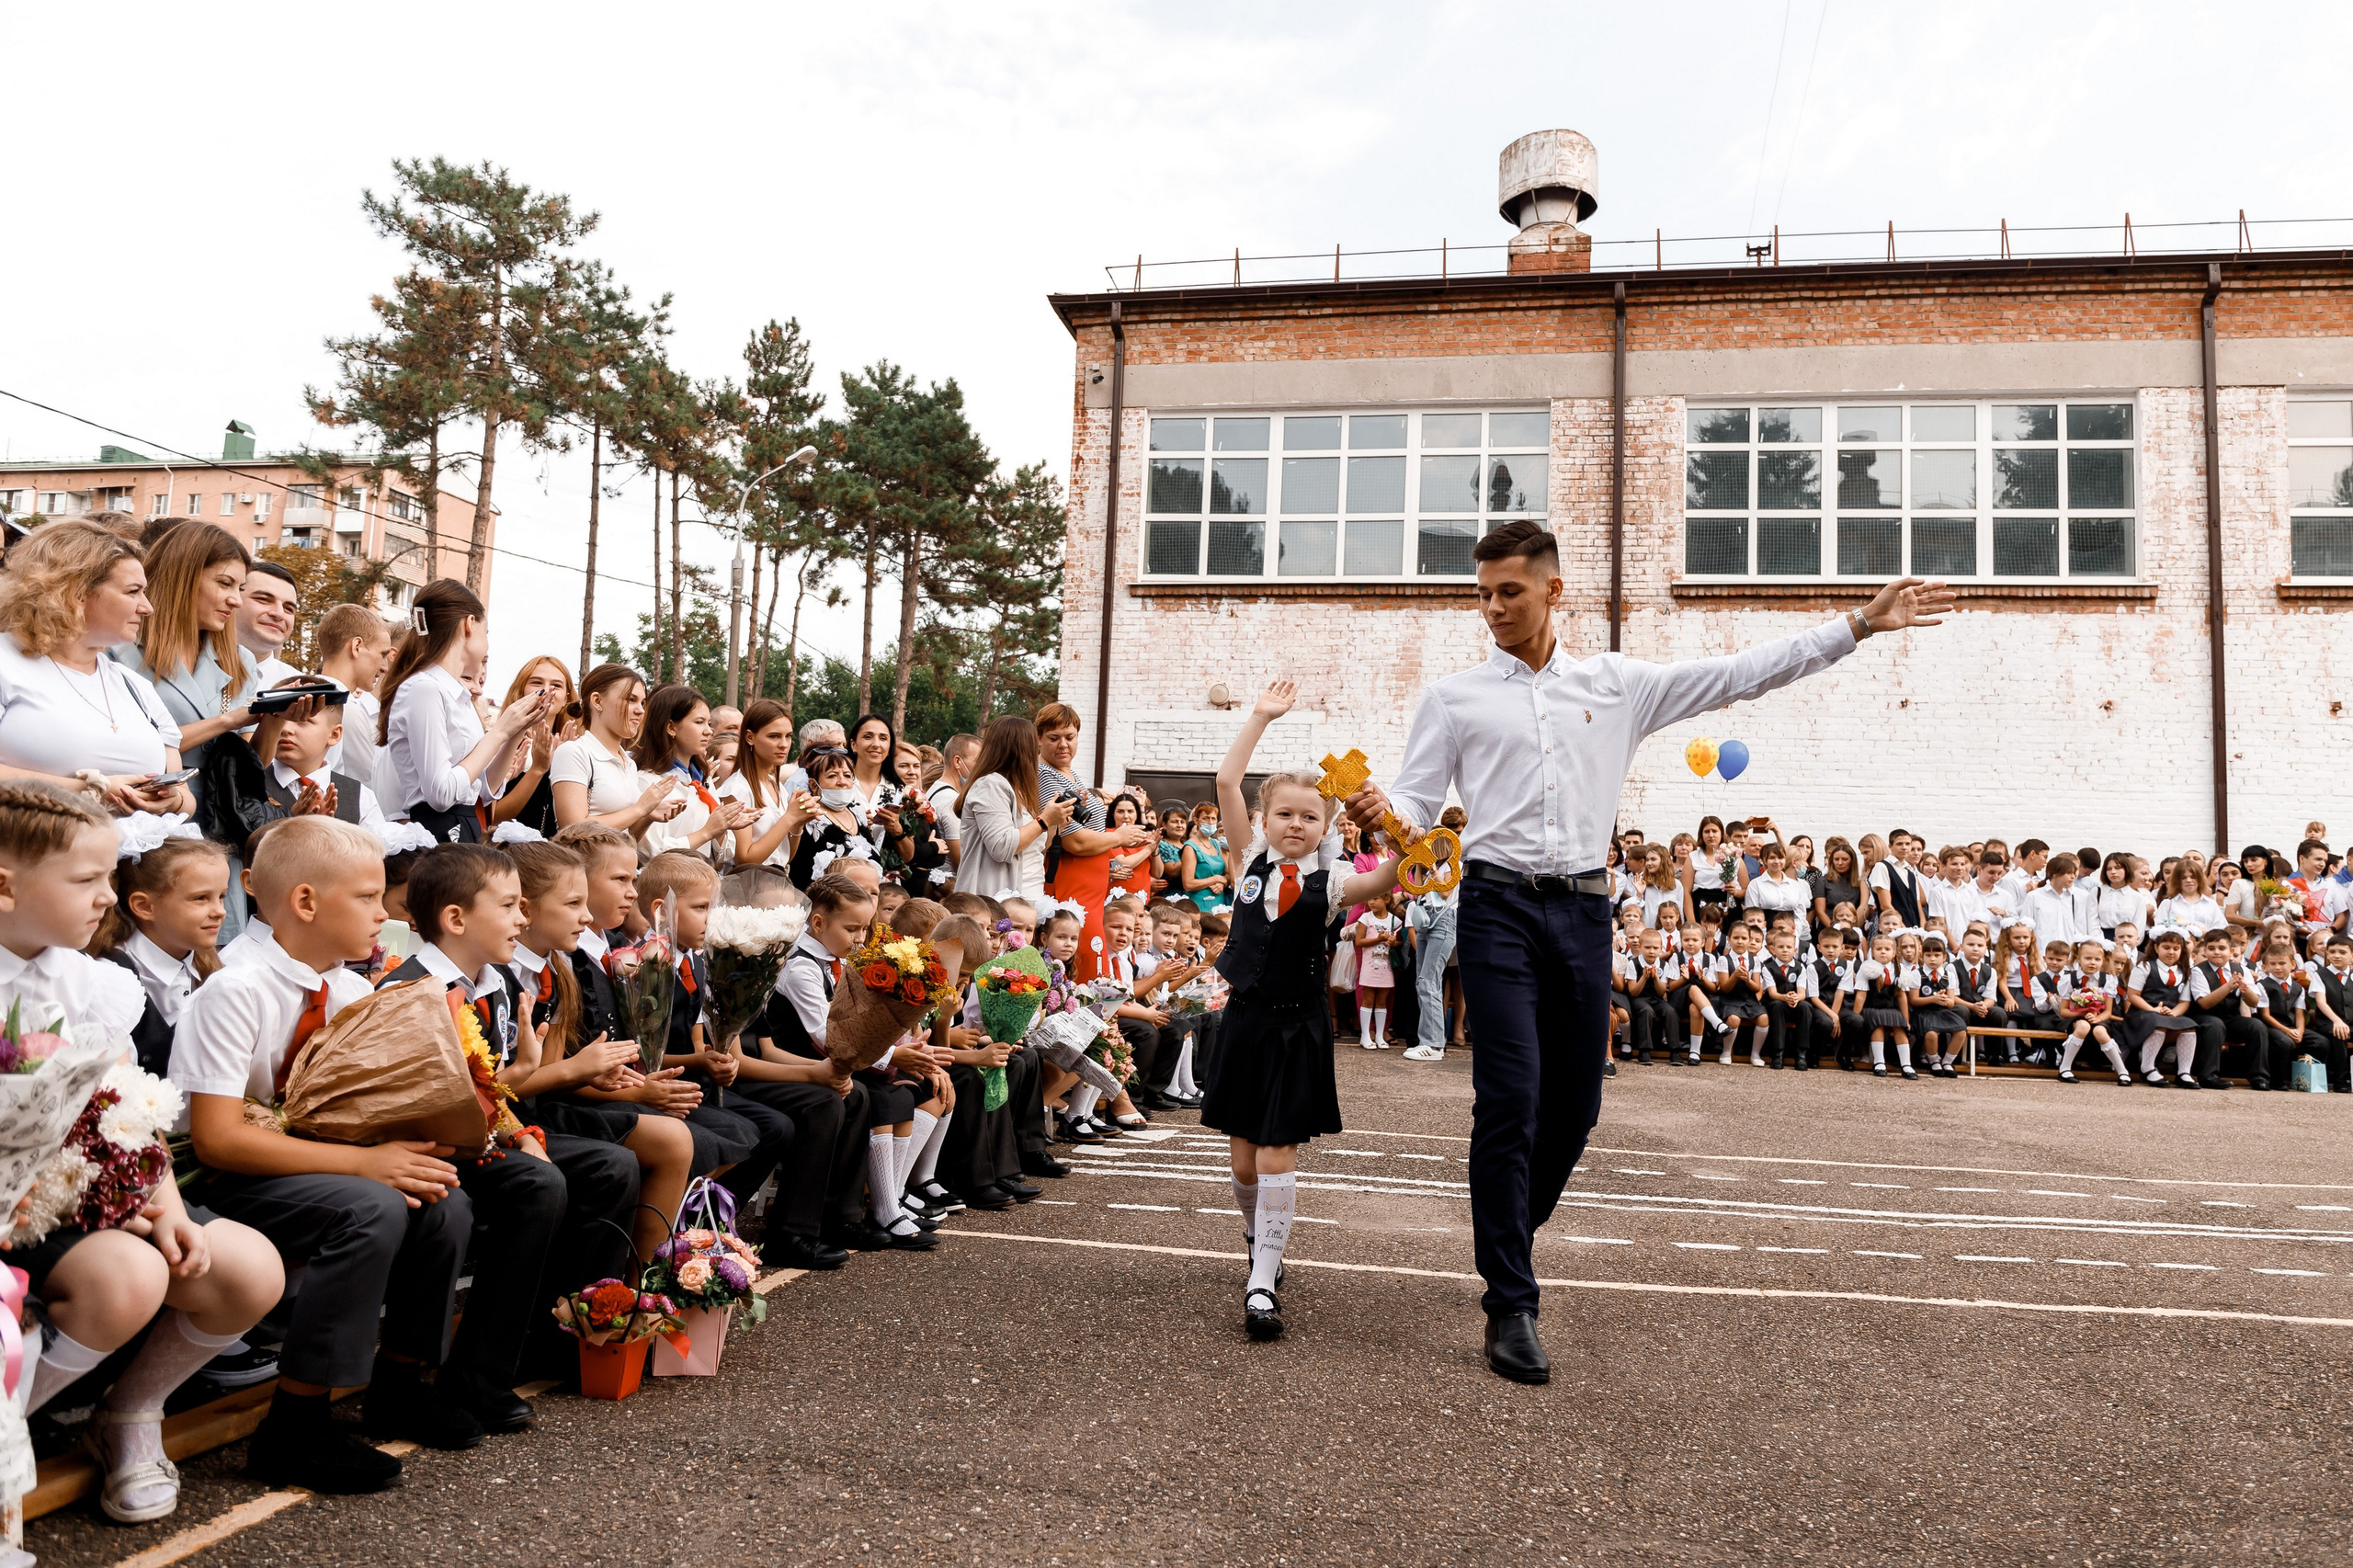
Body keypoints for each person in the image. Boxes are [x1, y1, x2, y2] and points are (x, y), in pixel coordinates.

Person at [1345, 520, 1949, 1383]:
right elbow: (1411, 809)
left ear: (1556, 591)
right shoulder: (1454, 698)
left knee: (1576, 1109)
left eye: (1509, 592)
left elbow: (1741, 675)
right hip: (1495, 907)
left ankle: (1505, 1234)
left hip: (1586, 912)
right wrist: (1383, 818)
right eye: (1482, 595)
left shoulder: (1617, 684)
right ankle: (1511, 1302)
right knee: (1509, 1099)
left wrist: (1855, 624)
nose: (1492, 610)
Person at [0, 783, 282, 1527]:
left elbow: (125, 1110)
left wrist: (164, 1205)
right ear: (5, 885)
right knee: (125, 1278)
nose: (108, 897)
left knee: (244, 1267)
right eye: (87, 880)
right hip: (15, 1205)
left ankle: (130, 1414)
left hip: (69, 1194)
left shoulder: (87, 982)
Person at [173, 816, 474, 1492]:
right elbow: (217, 1139)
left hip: (306, 1166)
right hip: (223, 1178)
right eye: (368, 897)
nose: (385, 911)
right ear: (306, 902)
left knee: (441, 1200)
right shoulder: (235, 988)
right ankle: (295, 1423)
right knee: (370, 1206)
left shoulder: (347, 988)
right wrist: (366, 1165)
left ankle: (399, 1383)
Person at [1203, 679, 1401, 1342]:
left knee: (1276, 1151)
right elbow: (1228, 781)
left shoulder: (1335, 881)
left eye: (1309, 817)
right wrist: (1260, 716)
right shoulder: (1244, 862)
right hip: (1248, 1021)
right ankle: (1259, 1238)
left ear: (1326, 826)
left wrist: (1396, 832)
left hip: (1299, 1026)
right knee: (1241, 1162)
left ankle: (1263, 1278)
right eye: (1284, 813)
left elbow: (1389, 877)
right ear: (1265, 820)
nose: (1295, 824)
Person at [0, 521, 194, 818]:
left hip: (135, 856)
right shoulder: (7, 661)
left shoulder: (134, 686)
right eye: (133, 592)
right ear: (75, 592)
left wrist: (171, 801)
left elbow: (185, 799)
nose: (147, 607)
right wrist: (90, 789)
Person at [380, 580, 551, 845]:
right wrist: (499, 732)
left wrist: (515, 731)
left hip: (466, 824)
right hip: (438, 830)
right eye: (487, 632)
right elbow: (440, 794)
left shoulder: (455, 694)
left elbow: (484, 788)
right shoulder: (424, 688)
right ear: (470, 624)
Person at [109, 522, 259, 778]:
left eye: (240, 588)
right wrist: (226, 722)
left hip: (217, 817)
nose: (237, 600)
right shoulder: (116, 651)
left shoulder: (241, 660)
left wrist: (276, 718)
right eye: (225, 583)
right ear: (182, 578)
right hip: (143, 810)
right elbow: (124, 749)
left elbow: (249, 772)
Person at [1036, 703, 1152, 983]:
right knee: (1082, 965)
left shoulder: (1071, 776)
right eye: (1054, 738)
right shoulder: (1045, 776)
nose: (1063, 745)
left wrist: (1107, 861)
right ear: (1038, 739)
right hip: (1071, 884)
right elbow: (1073, 840)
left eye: (1070, 737)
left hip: (1092, 885)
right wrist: (1118, 838)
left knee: (1093, 964)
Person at [549, 663, 680, 840]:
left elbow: (626, 837)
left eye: (642, 703)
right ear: (597, 701)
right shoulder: (573, 752)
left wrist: (648, 815)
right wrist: (640, 809)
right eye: (630, 700)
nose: (640, 711)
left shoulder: (629, 763)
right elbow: (572, 829)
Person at [262, 680, 397, 844]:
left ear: (334, 735)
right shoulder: (249, 787)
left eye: (303, 720)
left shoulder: (360, 797)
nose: (286, 729)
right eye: (281, 719)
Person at [631, 685, 754, 860]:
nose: (709, 731)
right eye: (699, 722)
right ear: (671, 727)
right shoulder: (648, 781)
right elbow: (649, 852)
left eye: (709, 723)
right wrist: (706, 832)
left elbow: (722, 857)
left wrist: (722, 827)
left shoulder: (702, 780)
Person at [956, 715, 1066, 905]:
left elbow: (1034, 849)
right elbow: (1002, 847)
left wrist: (1057, 824)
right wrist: (1044, 820)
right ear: (1022, 750)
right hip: (995, 901)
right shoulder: (990, 785)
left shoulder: (1021, 791)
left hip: (1028, 897)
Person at [490, 656, 577, 837]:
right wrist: (538, 769)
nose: (546, 690)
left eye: (557, 685)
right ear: (521, 690)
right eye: (537, 682)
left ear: (566, 698)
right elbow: (492, 816)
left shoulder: (574, 747)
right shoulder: (501, 743)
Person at [311, 603, 392, 786]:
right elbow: (369, 783)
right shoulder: (346, 709)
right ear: (356, 646)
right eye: (382, 654)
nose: (385, 667)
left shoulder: (304, 697)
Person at [719, 698, 797, 870]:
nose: (783, 744)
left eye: (788, 736)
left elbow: (785, 856)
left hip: (777, 882)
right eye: (774, 736)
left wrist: (798, 822)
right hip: (747, 888)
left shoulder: (776, 786)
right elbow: (744, 860)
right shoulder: (736, 788)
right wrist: (790, 818)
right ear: (750, 737)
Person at [236, 561, 301, 686]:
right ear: (234, 600)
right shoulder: (192, 670)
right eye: (264, 600)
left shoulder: (302, 689)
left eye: (288, 608)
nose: (279, 614)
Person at [926, 733, 978, 884]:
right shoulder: (951, 801)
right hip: (949, 887)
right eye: (977, 761)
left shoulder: (934, 790)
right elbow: (961, 861)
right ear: (957, 762)